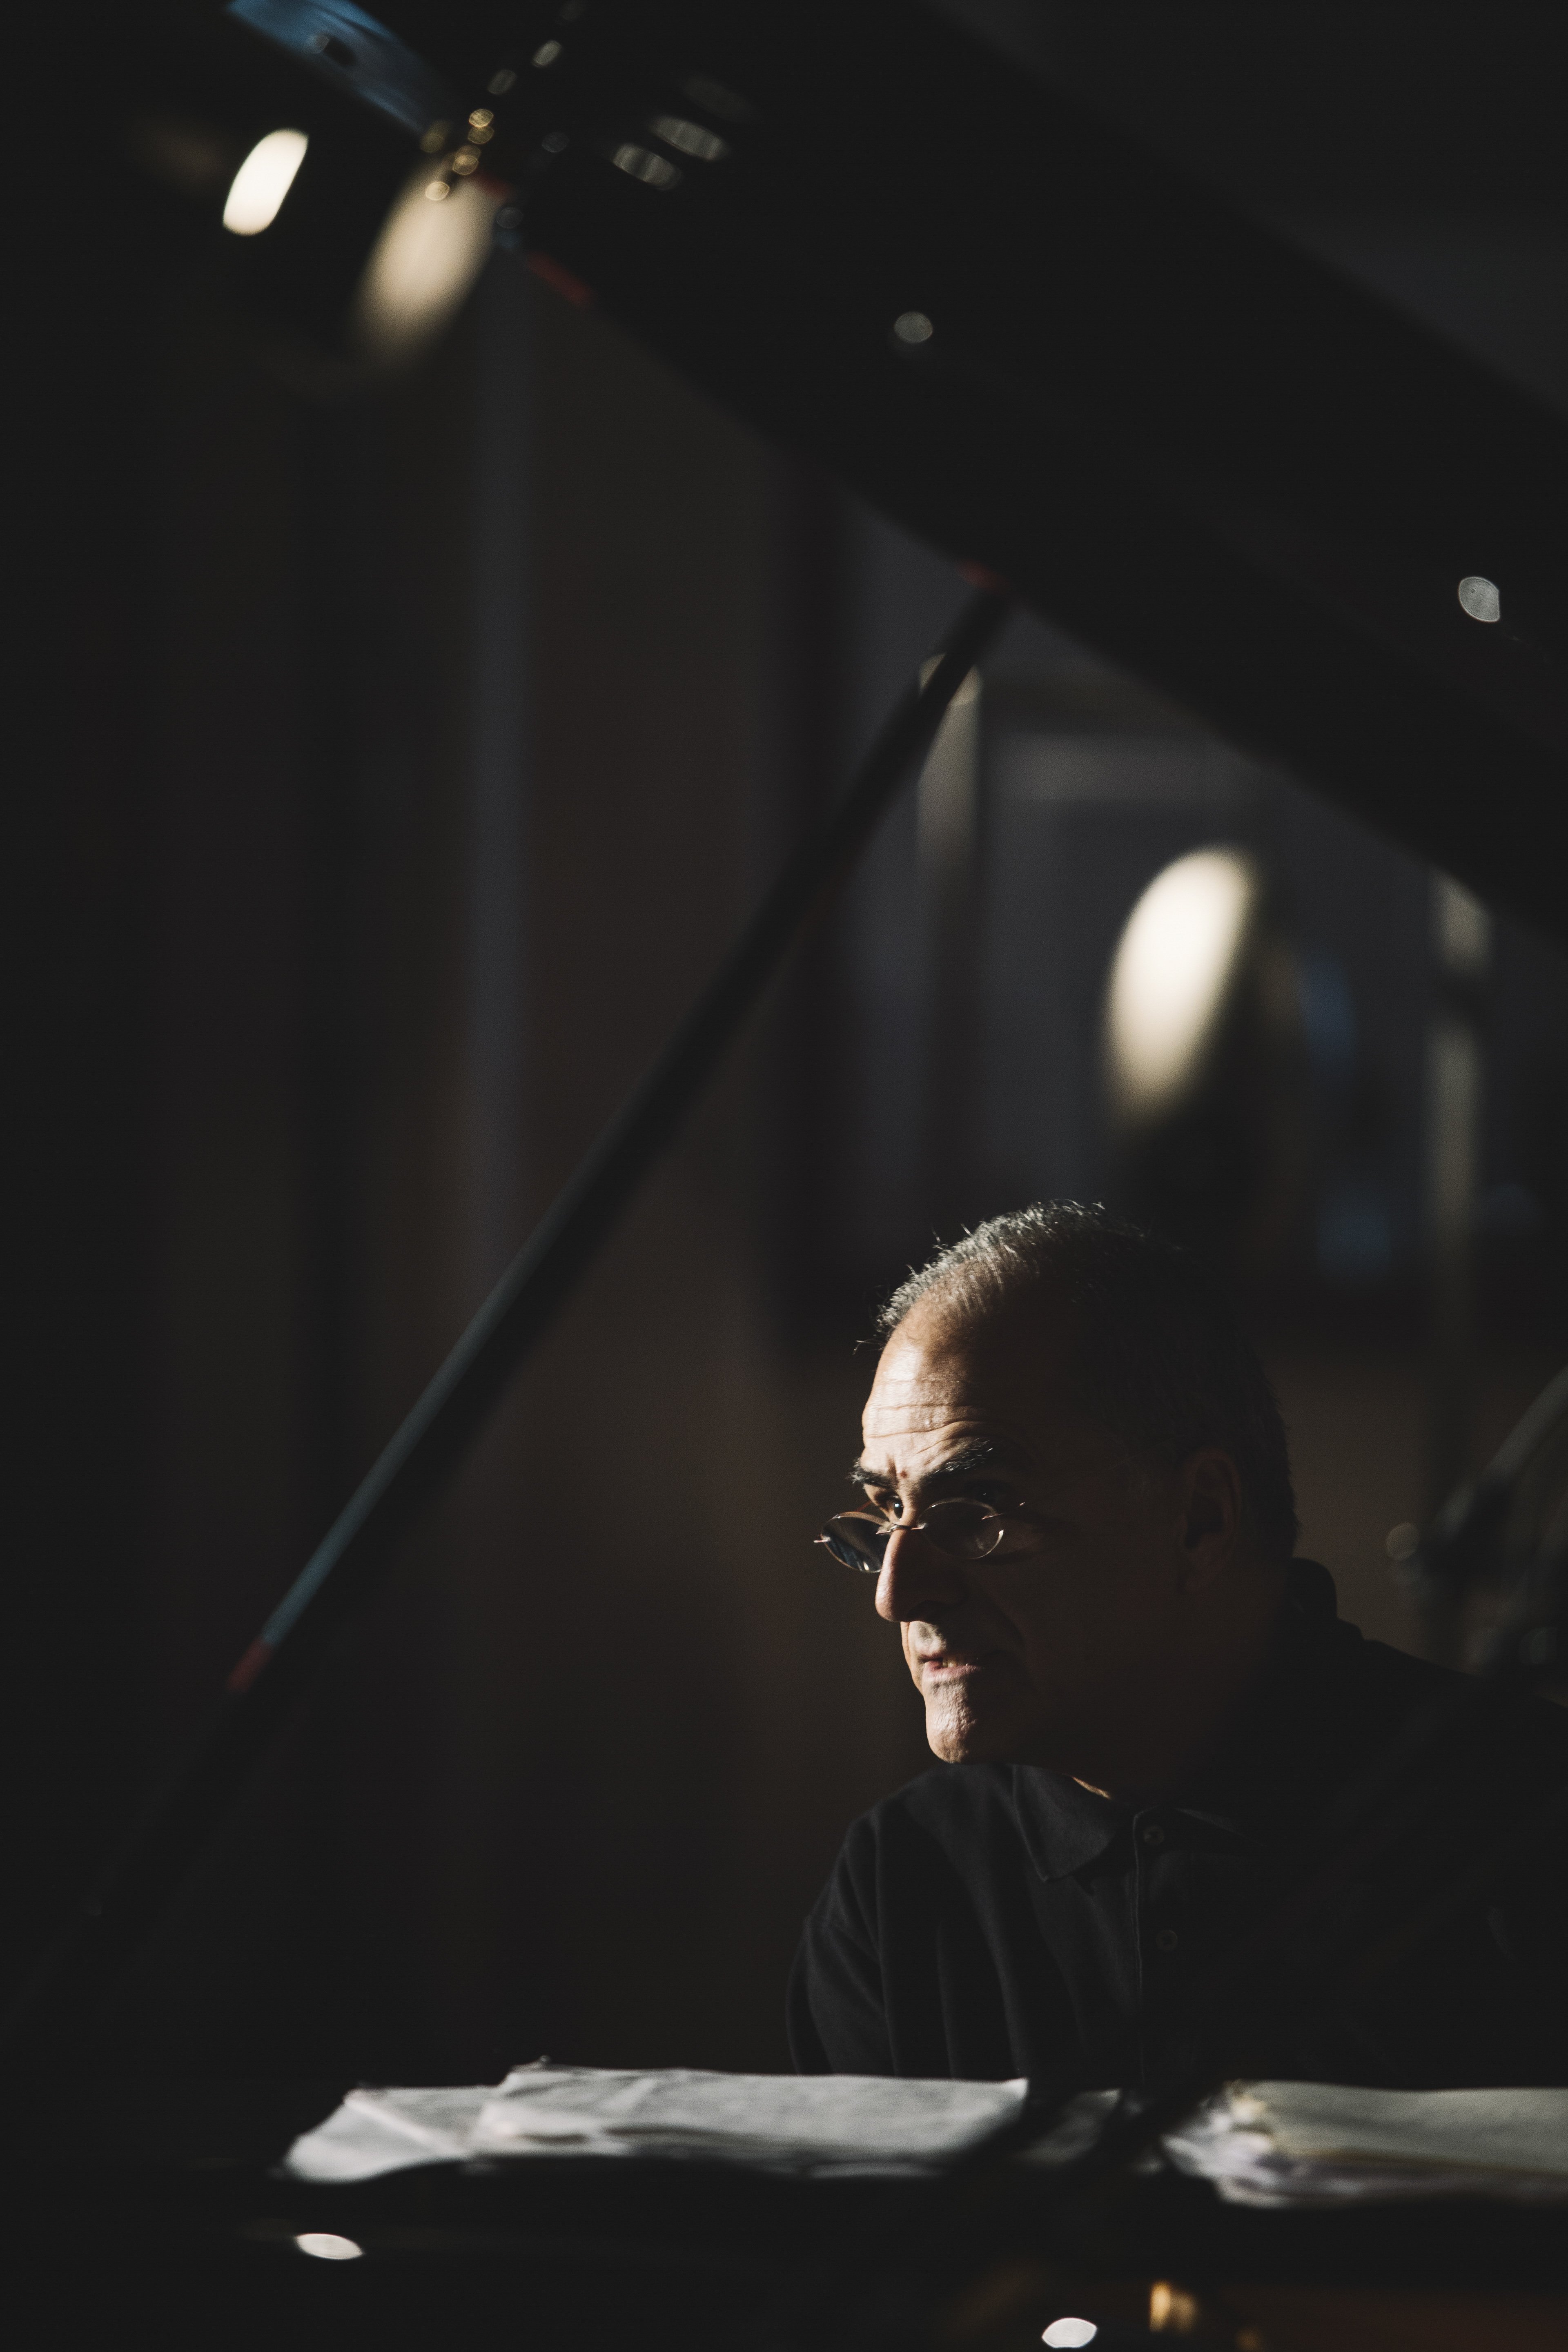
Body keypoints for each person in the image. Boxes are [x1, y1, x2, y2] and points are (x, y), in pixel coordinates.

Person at [789, 1202, 1568, 2091]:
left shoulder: (1525, 1834)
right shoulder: (904, 1882)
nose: (896, 1595)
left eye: (977, 1510)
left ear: (1200, 1520)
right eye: (885, 1515)